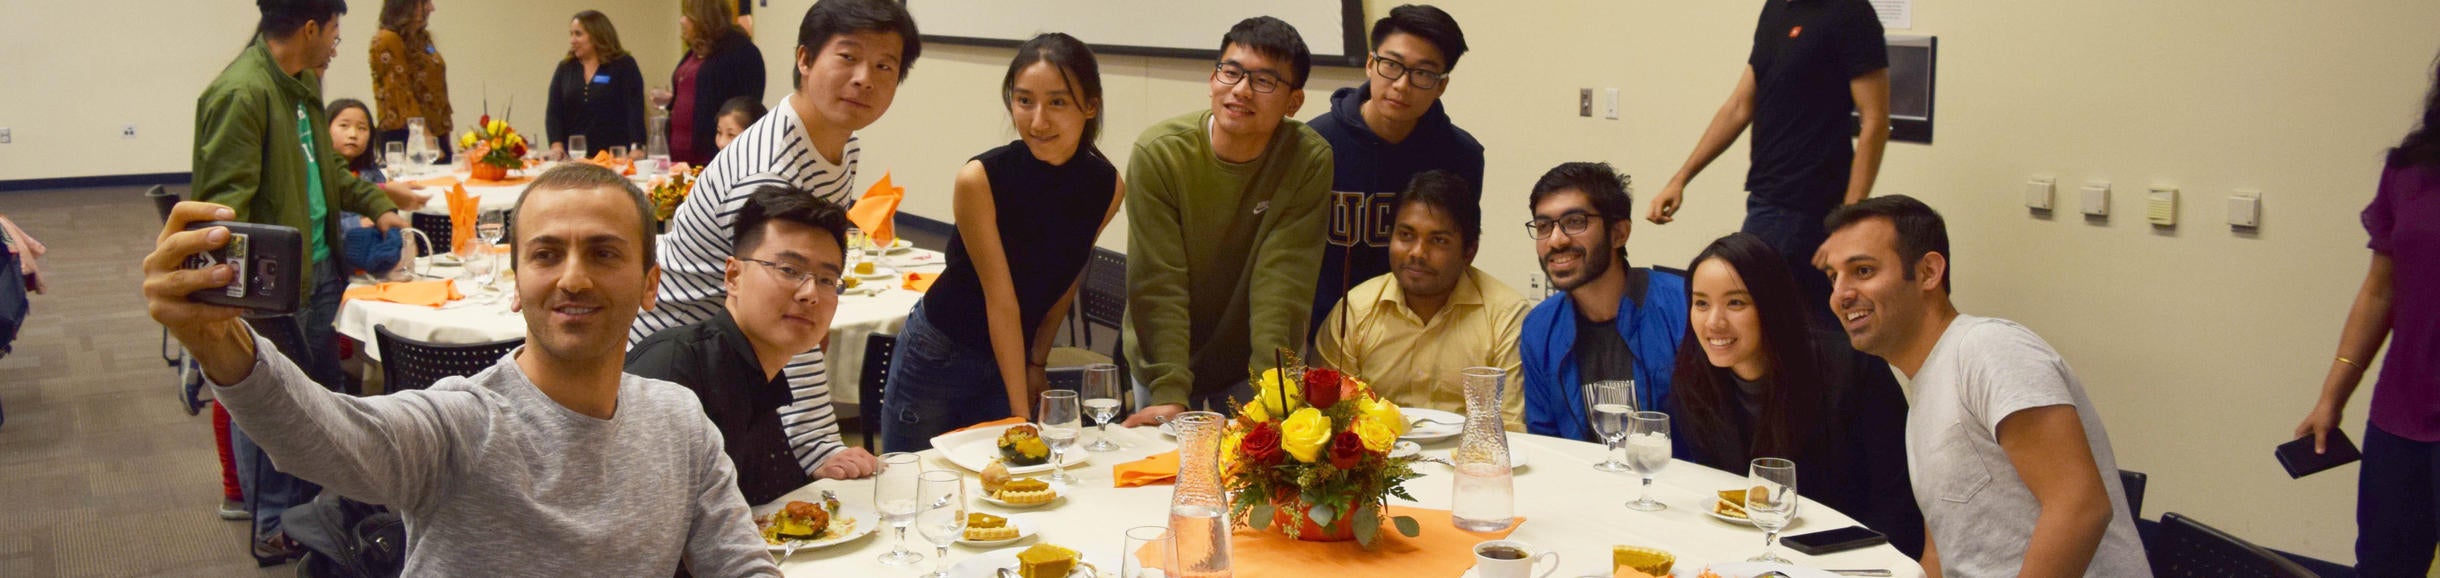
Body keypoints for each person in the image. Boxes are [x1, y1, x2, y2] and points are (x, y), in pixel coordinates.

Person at [145, 164, 783, 575]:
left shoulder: (677, 421)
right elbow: (324, 435)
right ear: (516, 282)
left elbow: (738, 562)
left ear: (650, 284)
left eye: (603, 252)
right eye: (546, 253)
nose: (573, 277)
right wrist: (221, 343)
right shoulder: (460, 425)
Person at [634, 0, 920, 480]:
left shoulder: (836, 139)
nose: (864, 78)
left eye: (884, 65)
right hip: (681, 366)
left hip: (739, 355)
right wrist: (818, 446)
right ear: (805, 60)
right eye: (847, 57)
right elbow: (782, 312)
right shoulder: (769, 170)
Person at [1817, 195, 2147, 576]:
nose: (1840, 294)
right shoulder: (1926, 389)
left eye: (1862, 271)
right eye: (1833, 277)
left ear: (1928, 272)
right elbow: (1940, 559)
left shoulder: (1988, 349)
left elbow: (2081, 508)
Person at [192, 0, 413, 562]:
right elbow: (223, 214)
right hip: (273, 289)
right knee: (264, 402)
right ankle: (270, 523)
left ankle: (310, 516)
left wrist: (376, 202)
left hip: (317, 272)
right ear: (311, 28)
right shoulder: (243, 95)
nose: (339, 42)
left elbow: (330, 172)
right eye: (335, 30)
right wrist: (240, 303)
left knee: (311, 402)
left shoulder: (301, 84)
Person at [878, 33, 1123, 451]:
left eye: (1058, 102)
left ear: (1090, 106)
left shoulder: (1107, 185)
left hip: (1011, 353)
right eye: (1024, 100)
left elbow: (1067, 277)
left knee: (1004, 491)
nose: (1037, 120)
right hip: (941, 351)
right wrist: (1020, 417)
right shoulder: (981, 179)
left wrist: (1037, 361)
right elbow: (1001, 299)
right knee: (918, 480)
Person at [1116, 17, 1334, 426]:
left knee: (1254, 478)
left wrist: (1274, 397)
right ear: (1212, 77)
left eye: (1265, 80)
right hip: (1163, 359)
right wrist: (1169, 391)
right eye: (1231, 72)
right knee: (1163, 475)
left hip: (1246, 364)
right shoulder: (1160, 153)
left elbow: (1283, 284)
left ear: (1294, 102)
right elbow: (1159, 283)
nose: (1241, 90)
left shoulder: (1307, 159)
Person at [1671, 232, 1923, 557]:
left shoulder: (1851, 370)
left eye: (1736, 302)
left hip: (1854, 557)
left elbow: (1897, 503)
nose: (1714, 322)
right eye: (1701, 303)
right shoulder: (1693, 380)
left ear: (1771, 305)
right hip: (1750, 556)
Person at [629, 187, 874, 502]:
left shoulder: (760, 373)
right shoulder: (676, 370)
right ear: (733, 276)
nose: (809, 293)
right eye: (789, 270)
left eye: (827, 280)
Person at [1647, 0, 1889, 316]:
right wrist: (1680, 179)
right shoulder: (1776, 9)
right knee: (1793, 332)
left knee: (1766, 323)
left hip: (1807, 209)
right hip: (1765, 200)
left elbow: (1875, 121)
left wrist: (1847, 225)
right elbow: (1739, 106)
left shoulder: (1850, 12)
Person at [2293, 55, 2440, 578]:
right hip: (2400, 413)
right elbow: (2381, 290)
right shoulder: (2410, 169)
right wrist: (2333, 395)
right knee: (2382, 565)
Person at [1306, 4, 1483, 344]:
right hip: (1327, 335)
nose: (1402, 85)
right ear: (1371, 64)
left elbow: (1458, 254)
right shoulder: (1314, 146)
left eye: (1423, 74)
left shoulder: (1460, 156)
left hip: (1422, 334)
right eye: (1392, 65)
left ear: (1441, 85)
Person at [1314, 170, 1525, 430]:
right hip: (1379, 465)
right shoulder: (1355, 310)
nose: (1417, 253)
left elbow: (1511, 429)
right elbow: (1333, 422)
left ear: (1469, 251)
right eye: (1406, 235)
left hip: (1471, 462)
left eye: (1438, 240)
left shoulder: (1505, 314)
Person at [1518, 162, 1688, 446]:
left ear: (1619, 233)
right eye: (1544, 226)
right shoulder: (1540, 327)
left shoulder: (1682, 307)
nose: (1556, 240)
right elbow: (1547, 443)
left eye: (1575, 222)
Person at [662, 0, 765, 166]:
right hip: (678, 156)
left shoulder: (742, 51)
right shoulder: (696, 52)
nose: (682, 20)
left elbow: (747, 108)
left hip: (712, 156)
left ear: (704, 18)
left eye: (688, 15)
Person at [328, 98, 419, 279]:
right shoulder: (322, 175)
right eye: (344, 126)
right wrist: (358, 223)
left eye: (362, 128)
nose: (353, 134)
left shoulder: (372, 174)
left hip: (373, 267)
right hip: (334, 268)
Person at [548, 10, 648, 161]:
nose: (572, 40)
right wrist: (557, 146)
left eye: (578, 34)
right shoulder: (566, 67)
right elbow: (554, 112)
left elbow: (634, 108)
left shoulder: (623, 65)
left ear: (596, 35)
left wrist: (637, 147)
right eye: (571, 34)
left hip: (615, 158)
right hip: (575, 159)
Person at [369, 0, 453, 164]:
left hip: (435, 132)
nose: (431, 8)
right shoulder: (387, 39)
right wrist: (425, 137)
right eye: (424, 2)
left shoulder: (422, 38)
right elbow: (400, 94)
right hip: (408, 136)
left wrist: (442, 136)